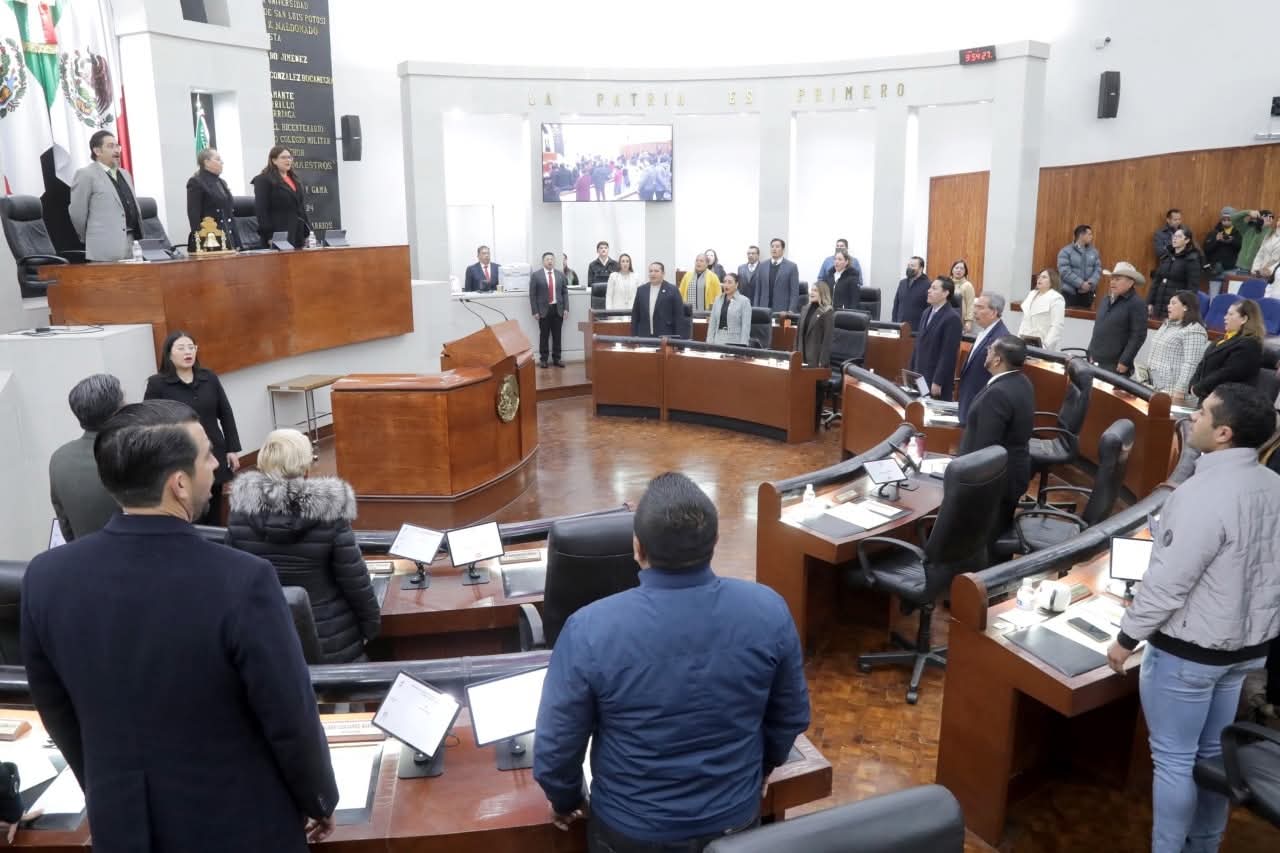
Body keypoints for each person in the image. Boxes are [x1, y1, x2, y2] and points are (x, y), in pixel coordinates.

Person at [22, 400, 339, 851]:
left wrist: (106, 790)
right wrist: (319, 798)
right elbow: (289, 716)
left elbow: (57, 712)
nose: (217, 465)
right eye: (207, 455)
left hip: (121, 825)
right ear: (179, 484)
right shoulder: (243, 580)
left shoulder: (45, 578)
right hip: (239, 826)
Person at [533, 473, 810, 851]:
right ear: (715, 541)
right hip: (734, 822)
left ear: (637, 547)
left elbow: (557, 748)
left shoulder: (589, 629)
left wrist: (566, 800)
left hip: (631, 832)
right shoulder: (769, 610)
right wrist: (764, 768)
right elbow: (790, 715)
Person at [1106, 383, 1280, 853]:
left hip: (1190, 654)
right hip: (1246, 652)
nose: (1194, 419)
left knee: (1174, 761)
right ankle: (1204, 845)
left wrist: (1126, 638)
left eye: (1202, 413)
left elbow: (1169, 581)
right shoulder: (1274, 485)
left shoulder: (1200, 494)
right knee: (1211, 756)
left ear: (1224, 433)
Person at [226, 428, 379, 664]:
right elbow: (354, 581)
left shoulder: (239, 512)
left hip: (267, 638)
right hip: (331, 639)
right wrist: (371, 626)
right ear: (305, 467)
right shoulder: (330, 512)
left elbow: (233, 582)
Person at [144, 331, 241, 524]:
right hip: (180, 456)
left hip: (213, 452)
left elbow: (226, 413)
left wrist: (232, 449)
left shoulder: (209, 377)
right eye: (181, 348)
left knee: (214, 507)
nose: (188, 352)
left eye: (191, 347)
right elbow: (149, 422)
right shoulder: (157, 384)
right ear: (169, 354)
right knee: (189, 509)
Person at [958, 335, 1034, 529]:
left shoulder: (997, 394)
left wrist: (963, 477)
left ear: (997, 360)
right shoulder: (1022, 381)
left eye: (990, 349)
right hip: (1012, 474)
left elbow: (985, 448)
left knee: (983, 536)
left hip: (995, 485)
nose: (987, 352)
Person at [49, 373, 123, 542]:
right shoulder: (132, 453)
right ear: (117, 411)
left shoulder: (59, 458)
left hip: (82, 552)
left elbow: (65, 523)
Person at [68, 130, 142, 262]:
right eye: (110, 146)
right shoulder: (86, 174)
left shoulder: (125, 174)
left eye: (117, 146)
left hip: (132, 244)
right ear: (97, 151)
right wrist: (92, 238)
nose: (116, 150)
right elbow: (77, 214)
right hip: (104, 248)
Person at [1138, 291, 1209, 404]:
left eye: (1173, 303)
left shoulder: (1194, 330)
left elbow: (1191, 364)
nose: (1168, 306)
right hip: (1155, 385)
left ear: (1185, 307)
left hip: (1173, 391)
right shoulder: (1166, 325)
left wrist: (1180, 390)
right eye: (1169, 303)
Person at [1189, 299, 1264, 402]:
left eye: (1230, 314)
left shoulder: (1249, 344)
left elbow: (1227, 373)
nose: (1225, 317)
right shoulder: (1223, 339)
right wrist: (1193, 384)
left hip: (1228, 402)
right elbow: (1203, 362)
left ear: (1244, 319)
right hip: (1208, 397)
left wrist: (1201, 387)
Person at [956, 293, 1009, 425]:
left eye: (980, 307)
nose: (975, 311)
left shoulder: (1000, 338)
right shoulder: (984, 332)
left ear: (994, 312)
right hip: (969, 400)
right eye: (975, 306)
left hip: (980, 405)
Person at [1086, 262, 1148, 375]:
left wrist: (1125, 361)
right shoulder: (1106, 299)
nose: (1112, 282)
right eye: (1112, 279)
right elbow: (1098, 327)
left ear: (1130, 283)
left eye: (1117, 279)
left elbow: (1138, 336)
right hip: (1095, 359)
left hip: (1115, 364)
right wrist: (1090, 351)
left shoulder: (1137, 304)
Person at [908, 278, 963, 400]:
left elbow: (948, 354)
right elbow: (918, 344)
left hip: (935, 380)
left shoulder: (952, 318)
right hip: (919, 375)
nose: (929, 291)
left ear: (945, 293)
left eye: (934, 288)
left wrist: (938, 381)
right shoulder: (926, 312)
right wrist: (911, 371)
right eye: (930, 288)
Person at [251, 145, 310, 248]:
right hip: (278, 233)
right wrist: (269, 236)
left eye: (290, 157)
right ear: (274, 160)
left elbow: (301, 208)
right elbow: (261, 210)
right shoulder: (263, 180)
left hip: (298, 232)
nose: (288, 160)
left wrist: (309, 231)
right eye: (283, 157)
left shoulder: (295, 179)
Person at [185, 147, 237, 251]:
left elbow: (228, 214)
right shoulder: (196, 182)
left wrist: (237, 240)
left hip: (228, 237)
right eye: (218, 159)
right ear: (207, 162)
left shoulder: (221, 182)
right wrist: (201, 241)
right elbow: (194, 215)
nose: (222, 162)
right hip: (210, 239)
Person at [1148, 227, 1202, 319]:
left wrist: (1185, 307)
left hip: (1176, 306)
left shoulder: (1191, 260)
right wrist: (1150, 302)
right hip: (1159, 304)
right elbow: (1156, 281)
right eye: (1174, 236)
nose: (1174, 239)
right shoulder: (1166, 256)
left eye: (1179, 236)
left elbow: (1192, 287)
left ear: (1187, 240)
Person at [531, 252, 569, 368]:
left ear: (554, 261)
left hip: (558, 309)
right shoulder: (536, 275)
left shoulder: (560, 274)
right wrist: (535, 311)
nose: (550, 261)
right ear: (543, 261)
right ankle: (543, 359)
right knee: (544, 335)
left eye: (551, 259)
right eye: (547, 259)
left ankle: (557, 358)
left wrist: (566, 308)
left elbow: (565, 292)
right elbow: (532, 295)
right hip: (543, 310)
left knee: (557, 335)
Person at [1017, 268, 1067, 350]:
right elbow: (1024, 320)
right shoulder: (1031, 294)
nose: (1039, 279)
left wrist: (1045, 345)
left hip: (1043, 344)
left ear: (1052, 281)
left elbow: (1057, 326)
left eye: (1044, 277)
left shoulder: (1056, 298)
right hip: (1025, 342)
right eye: (1039, 277)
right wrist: (1018, 339)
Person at [631, 261, 682, 337]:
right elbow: (635, 315)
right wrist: (634, 336)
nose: (653, 274)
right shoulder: (641, 290)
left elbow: (679, 316)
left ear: (663, 273)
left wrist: (678, 339)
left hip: (665, 336)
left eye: (656, 271)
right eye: (650, 271)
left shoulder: (672, 290)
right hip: (644, 336)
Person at [1057, 224, 1102, 308]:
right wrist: (1081, 284)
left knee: (1085, 315)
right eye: (1089, 234)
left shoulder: (1094, 252)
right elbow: (1064, 271)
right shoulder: (1065, 251)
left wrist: (1090, 283)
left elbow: (1098, 270)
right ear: (1081, 235)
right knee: (1068, 315)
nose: (1091, 237)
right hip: (1069, 293)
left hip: (1088, 293)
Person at [795, 280, 835, 368]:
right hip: (801, 358)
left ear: (822, 293)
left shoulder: (827, 312)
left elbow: (827, 340)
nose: (812, 293)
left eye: (815, 290)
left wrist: (822, 362)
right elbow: (797, 336)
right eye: (811, 290)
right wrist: (794, 355)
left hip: (815, 360)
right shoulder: (804, 309)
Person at [706, 272, 751, 346]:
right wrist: (709, 343)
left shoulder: (744, 301)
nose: (726, 285)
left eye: (729, 282)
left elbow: (746, 327)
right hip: (718, 340)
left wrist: (743, 346)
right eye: (724, 282)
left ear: (736, 284)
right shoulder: (718, 300)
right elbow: (712, 324)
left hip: (735, 341)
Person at [1227, 208, 1275, 275]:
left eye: (1272, 217)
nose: (1269, 218)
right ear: (1258, 217)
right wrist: (1248, 212)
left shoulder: (1272, 233)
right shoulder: (1247, 229)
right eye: (1266, 216)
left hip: (1258, 270)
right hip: (1241, 267)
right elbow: (1233, 218)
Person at [1203, 207, 1243, 282]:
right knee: (1214, 290)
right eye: (1224, 219)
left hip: (1232, 270)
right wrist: (1216, 240)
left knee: (1231, 290)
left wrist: (1232, 241)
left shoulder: (1240, 233)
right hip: (1215, 270)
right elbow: (1206, 250)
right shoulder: (1213, 233)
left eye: (1229, 219)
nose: (1226, 221)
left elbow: (1244, 249)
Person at [891, 256, 930, 330]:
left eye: (912, 266)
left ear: (921, 269)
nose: (909, 268)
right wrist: (894, 324)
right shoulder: (902, 283)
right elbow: (896, 305)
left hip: (917, 329)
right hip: (899, 327)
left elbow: (929, 308)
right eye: (908, 265)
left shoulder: (928, 285)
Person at [763, 238, 800, 314]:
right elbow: (758, 290)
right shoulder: (763, 265)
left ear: (783, 250)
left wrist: (791, 310)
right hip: (764, 308)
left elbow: (794, 292)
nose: (774, 249)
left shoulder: (792, 267)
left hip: (782, 310)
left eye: (777, 246)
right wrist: (756, 307)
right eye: (772, 246)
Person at [949, 259, 977, 332]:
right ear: (952, 270)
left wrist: (969, 321)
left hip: (960, 319)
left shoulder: (967, 285)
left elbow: (970, 304)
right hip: (946, 317)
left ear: (965, 272)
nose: (959, 270)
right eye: (956, 268)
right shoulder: (947, 283)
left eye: (962, 268)